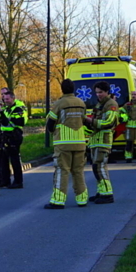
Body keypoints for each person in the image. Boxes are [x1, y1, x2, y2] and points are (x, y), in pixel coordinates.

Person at [44, 78, 88, 209]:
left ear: (62, 89)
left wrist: (53, 131)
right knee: (78, 171)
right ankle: (82, 199)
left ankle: (58, 200)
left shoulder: (60, 103)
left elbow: (50, 123)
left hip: (63, 143)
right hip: (80, 142)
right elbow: (84, 120)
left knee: (62, 171)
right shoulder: (81, 103)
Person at [85, 82, 120, 203]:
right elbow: (96, 123)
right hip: (96, 140)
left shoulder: (111, 104)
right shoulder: (100, 104)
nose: (98, 95)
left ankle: (107, 194)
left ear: (107, 92)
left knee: (99, 167)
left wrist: (90, 121)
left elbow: (108, 123)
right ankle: (101, 192)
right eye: (97, 92)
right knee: (96, 167)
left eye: (101, 92)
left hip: (103, 140)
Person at [0, 87, 28, 189]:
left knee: (14, 159)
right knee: (3, 159)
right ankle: (5, 181)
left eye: (7, 99)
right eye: (4, 98)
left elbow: (20, 122)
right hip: (5, 135)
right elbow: (3, 122)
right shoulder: (6, 108)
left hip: (14, 135)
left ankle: (18, 181)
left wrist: (8, 119)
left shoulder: (18, 109)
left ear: (13, 98)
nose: (5, 100)